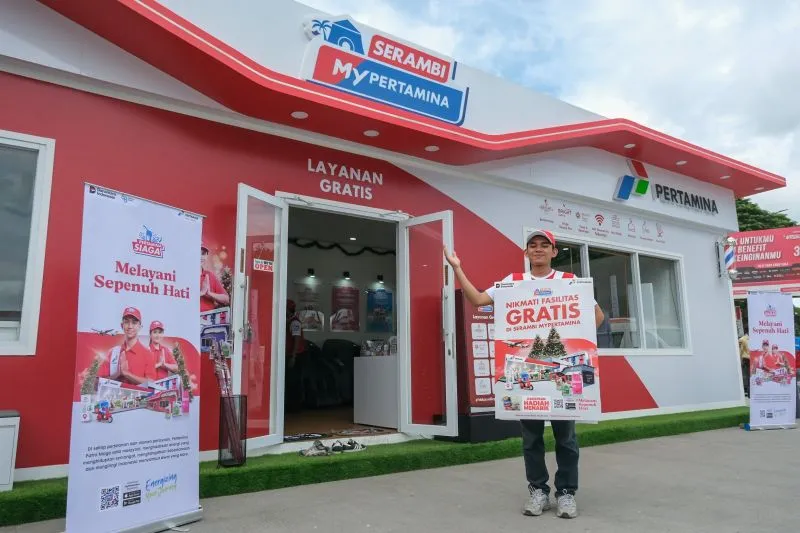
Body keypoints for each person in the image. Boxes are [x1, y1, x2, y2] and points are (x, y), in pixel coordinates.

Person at [444, 229, 604, 520]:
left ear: (554, 252)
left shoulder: (569, 281)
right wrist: (457, 268)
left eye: (545, 245)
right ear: (526, 252)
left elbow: (598, 316)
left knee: (566, 439)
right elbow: (478, 300)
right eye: (533, 245)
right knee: (531, 439)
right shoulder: (513, 282)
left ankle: (566, 493)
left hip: (561, 377)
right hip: (529, 380)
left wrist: (578, 337)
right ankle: (538, 491)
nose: (538, 249)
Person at [98, 307, 156, 386]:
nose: (130, 326)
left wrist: (127, 374)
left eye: (134, 323)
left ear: (140, 327)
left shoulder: (148, 354)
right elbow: (97, 383)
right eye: (126, 322)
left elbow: (151, 384)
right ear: (122, 325)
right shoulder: (113, 352)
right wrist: (117, 374)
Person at [200, 241, 230, 312]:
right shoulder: (185, 275)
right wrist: (201, 293)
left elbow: (226, 299)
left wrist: (209, 293)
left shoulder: (210, 275)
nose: (200, 257)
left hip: (208, 317)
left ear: (206, 256)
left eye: (203, 254)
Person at [738, 331, 750, 397]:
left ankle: (749, 392)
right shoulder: (742, 339)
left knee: (749, 376)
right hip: (747, 359)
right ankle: (749, 392)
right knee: (749, 376)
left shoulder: (743, 339)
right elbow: (740, 351)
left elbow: (741, 351)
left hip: (748, 359)